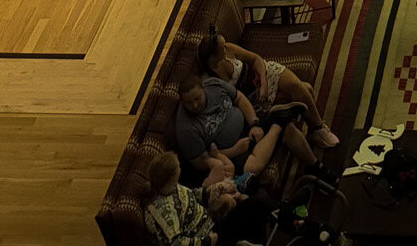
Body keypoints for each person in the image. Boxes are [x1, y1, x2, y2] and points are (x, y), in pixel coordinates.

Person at [200, 25, 339, 146]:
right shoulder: (211, 80)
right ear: (213, 57)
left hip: (265, 74)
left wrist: (264, 83)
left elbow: (256, 59)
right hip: (255, 100)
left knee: (296, 87)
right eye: (222, 48)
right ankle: (315, 131)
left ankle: (318, 128)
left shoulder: (229, 49)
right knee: (306, 89)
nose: (226, 47)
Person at [174, 72, 320, 178]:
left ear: (203, 89)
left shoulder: (214, 85)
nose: (194, 105)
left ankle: (315, 166)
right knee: (252, 168)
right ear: (182, 101)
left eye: (197, 98)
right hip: (229, 152)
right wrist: (234, 150)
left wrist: (254, 123)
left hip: (247, 125)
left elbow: (239, 99)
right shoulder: (186, 128)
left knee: (290, 131)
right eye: (188, 102)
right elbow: (201, 161)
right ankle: (279, 122)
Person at [141, 150, 215, 246]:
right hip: (205, 236)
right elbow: (176, 243)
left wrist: (208, 192)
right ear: (170, 177)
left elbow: (188, 195)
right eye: (178, 166)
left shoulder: (169, 187)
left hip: (209, 219)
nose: (180, 166)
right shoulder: (162, 210)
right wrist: (207, 241)